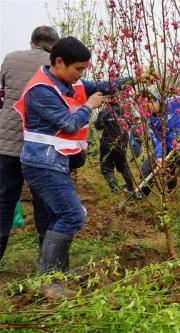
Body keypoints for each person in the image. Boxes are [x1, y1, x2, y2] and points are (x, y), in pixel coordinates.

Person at [15, 37, 135, 296]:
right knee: (72, 215)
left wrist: (135, 79)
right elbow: (68, 123)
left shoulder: (69, 81)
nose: (82, 75)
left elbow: (102, 86)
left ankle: (54, 275)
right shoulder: (42, 90)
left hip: (54, 161)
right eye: (79, 68)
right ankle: (50, 282)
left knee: (51, 218)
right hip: (43, 164)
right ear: (59, 62)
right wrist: (89, 106)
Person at [0, 26, 60, 261]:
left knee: (4, 202)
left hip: (7, 145)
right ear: (54, 46)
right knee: (44, 204)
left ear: (31, 42)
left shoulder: (11, 58)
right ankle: (46, 264)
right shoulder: (57, 65)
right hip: (41, 147)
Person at [94, 102, 135, 194]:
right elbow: (131, 123)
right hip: (122, 142)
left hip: (108, 142)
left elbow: (98, 126)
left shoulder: (104, 111)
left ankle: (116, 191)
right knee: (123, 165)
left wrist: (105, 121)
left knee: (106, 167)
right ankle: (131, 188)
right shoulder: (125, 110)